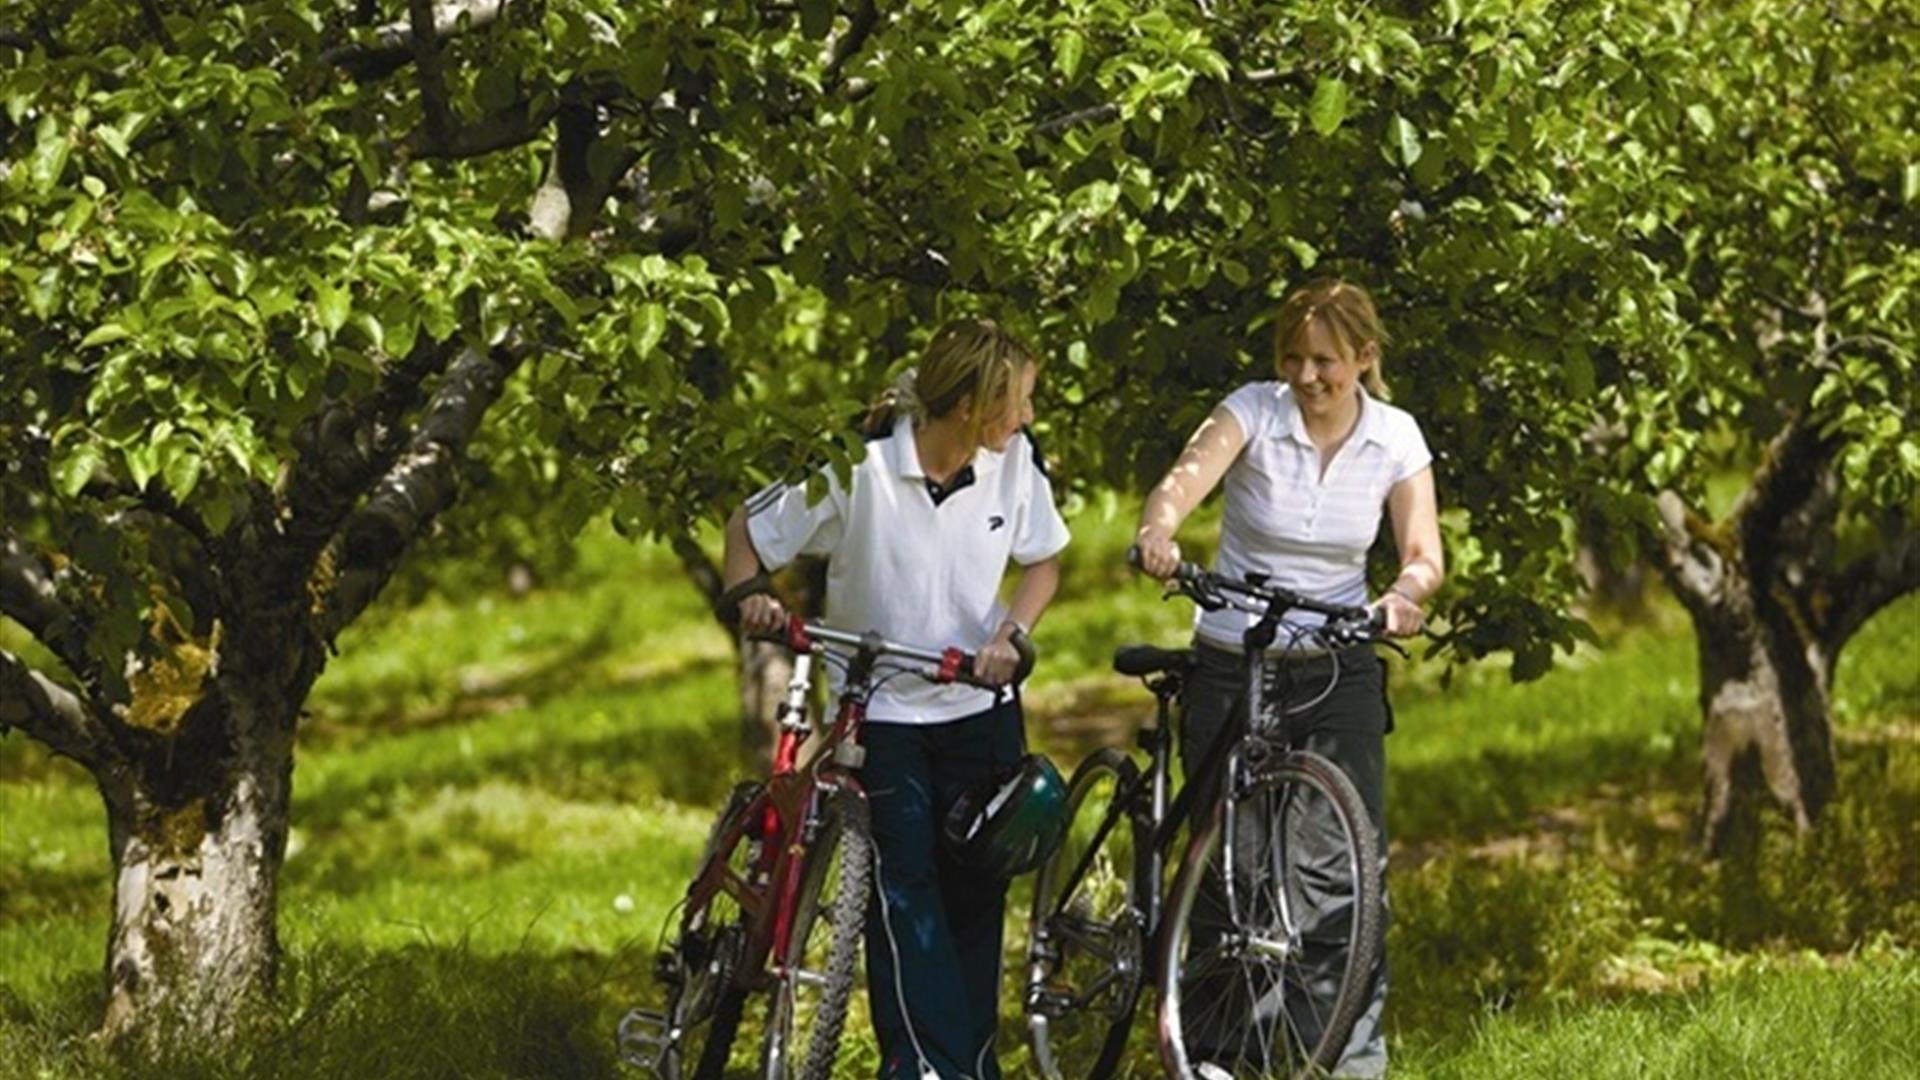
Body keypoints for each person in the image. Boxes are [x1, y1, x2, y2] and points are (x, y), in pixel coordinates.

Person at [721, 318, 1070, 1080]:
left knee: (977, 891)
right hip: (882, 713)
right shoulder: (859, 470)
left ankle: (964, 1066)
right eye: (1020, 401)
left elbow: (1044, 561)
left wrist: (1011, 635)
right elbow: (747, 526)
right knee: (905, 893)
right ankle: (924, 1068)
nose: (1029, 418)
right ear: (973, 405)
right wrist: (749, 590)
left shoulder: (1012, 465)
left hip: (978, 707)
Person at [1133, 279, 1443, 1079]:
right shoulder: (1253, 412)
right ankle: (1217, 1054)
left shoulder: (1397, 438)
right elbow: (1178, 487)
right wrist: (1159, 532)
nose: (1308, 376)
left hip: (1336, 659)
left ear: (1365, 359)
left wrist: (1404, 597)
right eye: (1294, 358)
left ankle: (1343, 1060)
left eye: (1327, 361)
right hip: (1235, 655)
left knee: (1342, 870)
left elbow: (1422, 554)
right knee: (1228, 864)